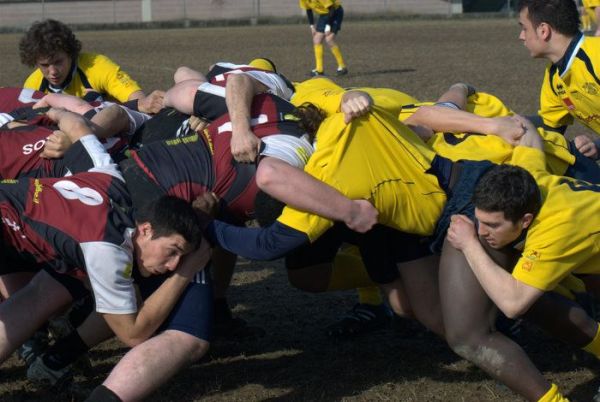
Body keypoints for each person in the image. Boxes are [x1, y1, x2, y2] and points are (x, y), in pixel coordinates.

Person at [438, 115, 600, 402]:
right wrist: (519, 122)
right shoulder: (529, 180)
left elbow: (512, 304)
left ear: (525, 220)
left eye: (493, 226)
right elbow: (530, 140)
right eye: (480, 221)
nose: (482, 231)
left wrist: (470, 245)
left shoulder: (558, 228)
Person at [19, 19, 163, 114]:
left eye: (58, 62)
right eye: (44, 65)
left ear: (71, 54)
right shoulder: (33, 84)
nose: (52, 72)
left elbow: (139, 100)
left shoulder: (96, 65)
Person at [517, 0, 600, 159]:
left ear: (543, 30)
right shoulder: (553, 77)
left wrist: (597, 146)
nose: (521, 36)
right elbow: (551, 129)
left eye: (524, 28)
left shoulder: (596, 56)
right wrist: (502, 121)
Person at [299, 0, 347, 77]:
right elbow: (308, 10)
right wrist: (312, 26)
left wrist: (328, 26)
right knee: (317, 40)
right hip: (324, 15)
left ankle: (342, 66)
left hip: (335, 12)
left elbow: (331, 9)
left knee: (329, 39)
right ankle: (319, 69)